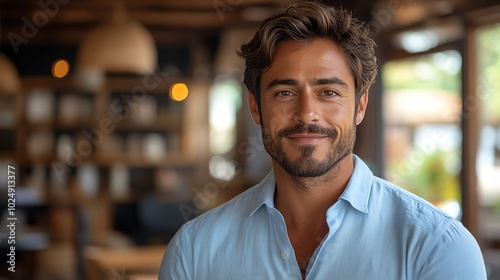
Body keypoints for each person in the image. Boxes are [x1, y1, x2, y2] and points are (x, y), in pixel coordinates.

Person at [159, 2, 487, 279]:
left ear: (359, 105)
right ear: (256, 106)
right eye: (285, 92)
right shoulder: (194, 251)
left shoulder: (437, 247)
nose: (307, 114)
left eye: (328, 92)